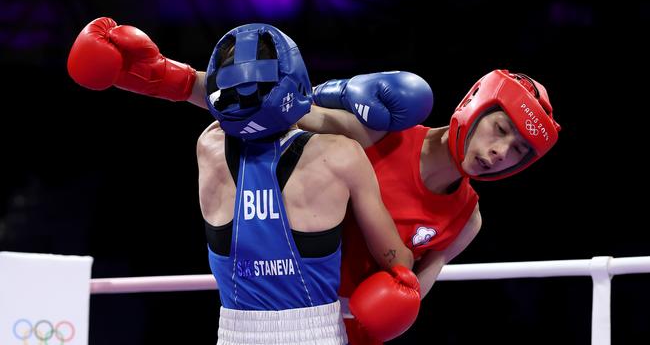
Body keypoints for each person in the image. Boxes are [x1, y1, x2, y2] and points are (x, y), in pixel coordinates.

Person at [67, 18, 422, 344]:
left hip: (234, 334)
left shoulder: (208, 146)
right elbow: (398, 262)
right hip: (318, 334)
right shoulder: (342, 156)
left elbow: (231, 107)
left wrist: (164, 76)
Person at [299, 68, 562, 344]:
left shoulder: (467, 219)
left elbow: (409, 293)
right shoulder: (385, 136)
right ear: (476, 104)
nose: (502, 152)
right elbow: (289, 113)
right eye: (500, 129)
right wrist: (335, 91)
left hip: (353, 331)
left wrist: (390, 310)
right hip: (286, 300)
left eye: (519, 150)